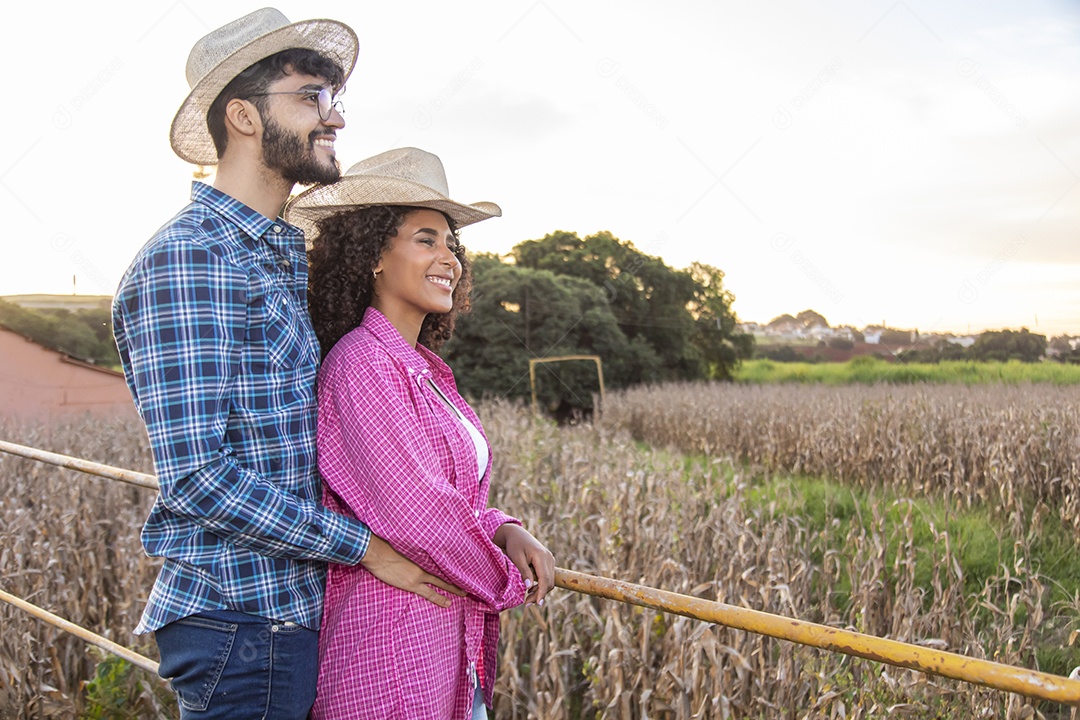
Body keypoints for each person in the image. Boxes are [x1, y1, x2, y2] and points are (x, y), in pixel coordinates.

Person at [112, 12, 460, 720]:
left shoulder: (269, 256)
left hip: (284, 613)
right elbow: (200, 477)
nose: (333, 118)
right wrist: (365, 548)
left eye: (332, 99)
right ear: (242, 116)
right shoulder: (193, 258)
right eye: (310, 97)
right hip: (242, 620)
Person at [285, 147, 556, 719]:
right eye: (426, 239)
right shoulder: (361, 364)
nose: (449, 258)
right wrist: (506, 579)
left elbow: (451, 495)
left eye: (452, 244)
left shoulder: (426, 370)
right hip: (390, 648)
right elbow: (418, 515)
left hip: (446, 644)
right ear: (373, 257)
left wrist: (505, 529)